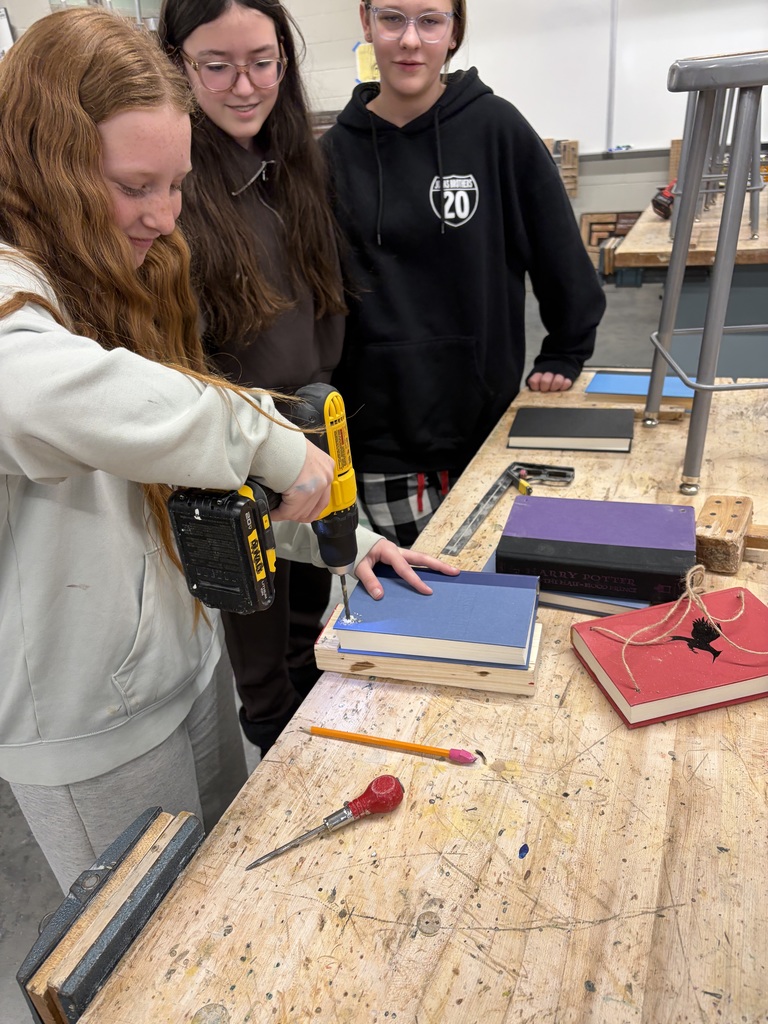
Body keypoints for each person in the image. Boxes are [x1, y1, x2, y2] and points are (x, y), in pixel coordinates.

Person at [0, 6, 456, 892]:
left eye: (174, 185)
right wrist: (272, 443)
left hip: (181, 666)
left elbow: (189, 472)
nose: (164, 218)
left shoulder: (114, 274)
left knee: (209, 901)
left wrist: (343, 540)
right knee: (136, 963)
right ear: (45, 168)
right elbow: (115, 405)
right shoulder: (15, 296)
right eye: (135, 187)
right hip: (90, 720)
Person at [322, 0, 607, 546]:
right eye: (392, 19)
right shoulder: (331, 155)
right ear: (366, 21)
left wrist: (567, 349)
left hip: (490, 424)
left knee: (504, 585)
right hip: (382, 439)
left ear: (454, 31)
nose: (410, 40)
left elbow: (557, 247)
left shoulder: (495, 127)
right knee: (427, 602)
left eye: (430, 20)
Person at [157, 0, 349, 757]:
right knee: (261, 663)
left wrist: (316, 410)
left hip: (309, 431)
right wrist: (254, 453)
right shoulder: (175, 187)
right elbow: (179, 362)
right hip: (233, 460)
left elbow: (324, 303)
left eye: (263, 62)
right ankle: (276, 775)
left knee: (309, 626)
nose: (245, 86)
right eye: (217, 65)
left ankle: (308, 752)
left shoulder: (296, 159)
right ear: (177, 61)